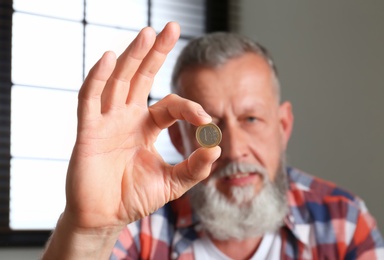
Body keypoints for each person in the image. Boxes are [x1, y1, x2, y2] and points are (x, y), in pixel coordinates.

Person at [42, 22, 383, 259]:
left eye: (251, 119)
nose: (234, 149)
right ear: (178, 138)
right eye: (211, 126)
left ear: (283, 125)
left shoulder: (344, 220)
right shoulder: (136, 225)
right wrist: (89, 232)